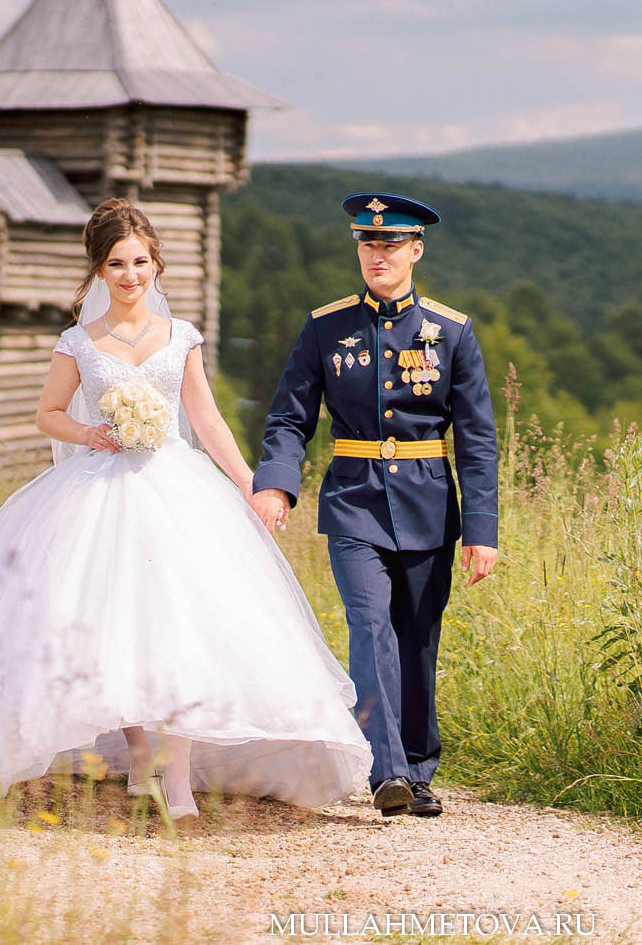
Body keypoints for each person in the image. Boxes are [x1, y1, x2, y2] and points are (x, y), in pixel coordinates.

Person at [0, 199, 372, 824]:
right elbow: (48, 414)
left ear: (155, 265)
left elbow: (206, 419)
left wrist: (252, 484)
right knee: (116, 626)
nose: (129, 275)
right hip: (100, 488)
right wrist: (93, 434)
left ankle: (178, 780)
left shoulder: (182, 337)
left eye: (140, 262)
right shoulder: (79, 343)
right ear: (99, 270)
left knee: (181, 627)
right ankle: (141, 753)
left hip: (176, 490)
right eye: (116, 264)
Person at [252, 192, 499, 818]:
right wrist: (277, 482)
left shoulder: (451, 333)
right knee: (369, 624)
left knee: (417, 637)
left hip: (427, 503)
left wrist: (482, 529)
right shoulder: (326, 327)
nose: (377, 254)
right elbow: (289, 415)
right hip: (354, 499)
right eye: (368, 244)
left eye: (390, 245)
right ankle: (385, 769)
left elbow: (476, 441)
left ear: (416, 250)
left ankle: (417, 768)